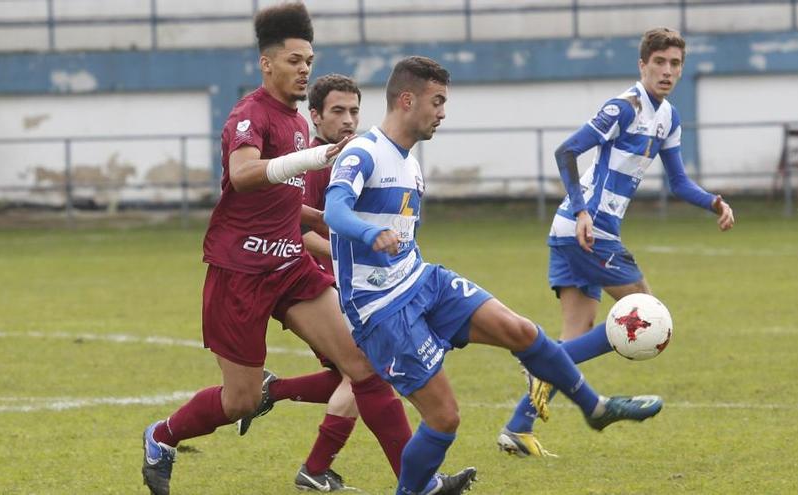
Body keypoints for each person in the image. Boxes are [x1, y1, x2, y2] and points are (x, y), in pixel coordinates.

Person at [323, 55, 664, 495]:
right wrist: (371, 235)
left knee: (520, 330)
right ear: (406, 100)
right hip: (380, 309)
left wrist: (393, 246)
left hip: (421, 281)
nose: (443, 112)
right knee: (444, 418)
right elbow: (335, 211)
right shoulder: (363, 152)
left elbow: (398, 235)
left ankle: (594, 407)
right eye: (437, 101)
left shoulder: (409, 163)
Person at [140, 5, 413, 494]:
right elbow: (244, 177)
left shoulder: (293, 122)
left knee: (364, 366)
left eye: (308, 59)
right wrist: (311, 156)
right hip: (239, 270)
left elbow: (288, 208)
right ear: (267, 63)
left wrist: (356, 230)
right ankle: (161, 436)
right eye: (294, 59)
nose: (304, 68)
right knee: (240, 400)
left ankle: (418, 482)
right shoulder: (250, 115)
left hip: (289, 266)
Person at [497, 27, 736, 457]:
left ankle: (518, 426)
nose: (667, 71)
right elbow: (567, 151)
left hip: (580, 232)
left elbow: (678, 182)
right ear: (642, 65)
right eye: (659, 62)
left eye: (675, 63)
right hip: (587, 230)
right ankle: (537, 363)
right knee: (645, 311)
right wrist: (584, 210)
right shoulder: (624, 107)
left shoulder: (668, 118)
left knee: (578, 333)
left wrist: (714, 202)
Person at [235, 73, 405, 492]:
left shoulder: (356, 157)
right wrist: (354, 252)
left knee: (359, 375)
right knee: (367, 374)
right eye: (337, 112)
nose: (348, 120)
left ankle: (275, 394)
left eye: (354, 111)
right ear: (315, 116)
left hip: (350, 285)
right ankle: (316, 468)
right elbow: (295, 228)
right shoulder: (310, 163)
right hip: (314, 288)